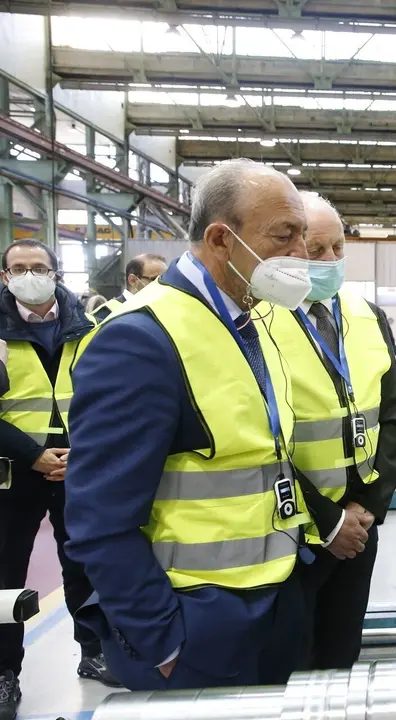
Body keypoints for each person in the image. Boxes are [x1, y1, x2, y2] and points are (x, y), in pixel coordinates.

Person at [63, 159, 334, 691]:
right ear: (221, 239)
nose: (302, 254)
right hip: (197, 621)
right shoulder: (141, 339)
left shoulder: (252, 319)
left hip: (273, 599)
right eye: (285, 235)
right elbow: (99, 519)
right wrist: (163, 641)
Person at [264, 192, 396, 670]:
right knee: (292, 660)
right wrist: (329, 522)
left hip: (360, 526)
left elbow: (393, 415)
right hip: (294, 529)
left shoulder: (367, 315)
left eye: (338, 248)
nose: (329, 260)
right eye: (316, 249)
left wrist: (369, 507)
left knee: (342, 652)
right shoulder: (260, 321)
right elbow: (262, 438)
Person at [0, 240, 117, 720]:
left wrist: (83, 451)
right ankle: (4, 672)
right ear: (4, 276)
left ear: (56, 272)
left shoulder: (91, 326)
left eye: (39, 267)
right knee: (5, 578)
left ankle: (94, 650)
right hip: (12, 471)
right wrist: (33, 455)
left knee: (86, 565)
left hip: (79, 466)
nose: (29, 276)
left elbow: (111, 395)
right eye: (18, 268)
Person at [92, 253, 168, 321]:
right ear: (133, 280)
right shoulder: (106, 314)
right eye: (155, 279)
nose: (163, 284)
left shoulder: (162, 310)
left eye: (165, 279)